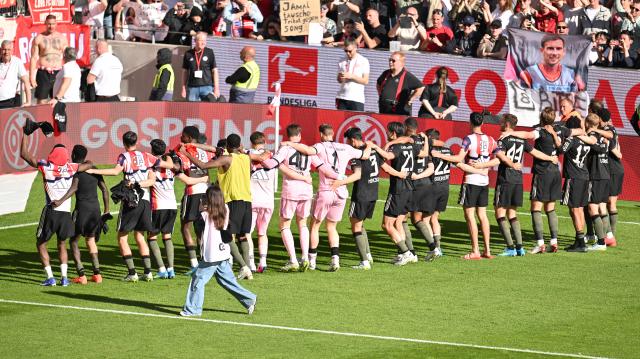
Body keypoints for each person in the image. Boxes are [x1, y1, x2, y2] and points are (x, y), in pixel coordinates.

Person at [281, 124, 370, 271]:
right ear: (333, 133)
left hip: (327, 189)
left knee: (314, 225)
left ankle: (312, 260)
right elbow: (365, 155)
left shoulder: (320, 146)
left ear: (322, 135)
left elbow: (308, 151)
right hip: (341, 190)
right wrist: (370, 145)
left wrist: (290, 143)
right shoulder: (345, 147)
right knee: (332, 227)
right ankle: (335, 259)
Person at [87, 131, 174, 281]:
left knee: (122, 238)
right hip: (146, 201)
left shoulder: (124, 157)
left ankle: (132, 273)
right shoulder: (147, 156)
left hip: (131, 201)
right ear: (136, 141)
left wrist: (93, 170)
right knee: (140, 236)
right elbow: (168, 166)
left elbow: (115, 172)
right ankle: (148, 272)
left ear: (124, 143)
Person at [181, 134, 265, 280]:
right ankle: (246, 268)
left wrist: (187, 153)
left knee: (226, 235)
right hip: (246, 200)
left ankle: (243, 267)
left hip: (232, 200)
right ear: (239, 145)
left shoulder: (226, 159)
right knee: (242, 236)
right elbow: (213, 148)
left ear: (226, 146)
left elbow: (203, 165)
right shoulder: (246, 157)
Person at [431, 112, 514, 260]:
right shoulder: (491, 140)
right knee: (482, 215)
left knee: (470, 215)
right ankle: (487, 250)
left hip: (470, 180)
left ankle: (475, 250)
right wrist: (483, 165)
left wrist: (439, 155)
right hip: (484, 180)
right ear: (482, 123)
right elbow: (499, 160)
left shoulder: (468, 139)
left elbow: (458, 158)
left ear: (470, 122)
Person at [259, 124, 335, 272]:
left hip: (291, 189)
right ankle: (305, 258)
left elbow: (270, 165)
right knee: (303, 224)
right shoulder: (307, 149)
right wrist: (338, 177)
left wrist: (258, 157)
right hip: (306, 190)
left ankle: (293, 260)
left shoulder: (285, 149)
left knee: (284, 225)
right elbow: (322, 167)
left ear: (287, 136)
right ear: (299, 136)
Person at [20, 134, 92, 286]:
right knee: (62, 244)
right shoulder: (71, 168)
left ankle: (50, 277)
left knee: (41, 244)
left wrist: (25, 134)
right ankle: (64, 278)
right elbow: (89, 164)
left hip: (51, 211)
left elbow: (24, 154)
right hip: (66, 215)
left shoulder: (46, 167)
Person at [484, 114, 557, 257]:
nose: (500, 123)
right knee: (512, 213)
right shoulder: (521, 139)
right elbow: (535, 152)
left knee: (500, 213)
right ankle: (520, 247)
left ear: (506, 124)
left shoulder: (503, 138)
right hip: (518, 180)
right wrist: (550, 158)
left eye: (502, 121)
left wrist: (482, 165)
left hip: (506, 178)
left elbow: (500, 158)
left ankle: (510, 247)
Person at [180, 185, 257, 317]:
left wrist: (199, 210)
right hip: (223, 252)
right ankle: (249, 299)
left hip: (212, 256)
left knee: (197, 280)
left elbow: (198, 229)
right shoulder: (225, 209)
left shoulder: (205, 215)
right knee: (226, 281)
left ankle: (193, 309)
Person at [148, 139, 210, 279]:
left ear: (152, 151)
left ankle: (162, 269)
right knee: (167, 236)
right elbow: (185, 178)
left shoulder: (150, 165)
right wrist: (204, 179)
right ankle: (171, 269)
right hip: (171, 206)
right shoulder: (172, 167)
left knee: (152, 237)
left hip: (157, 206)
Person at [50, 145, 109, 284]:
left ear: (74, 155)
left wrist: (61, 200)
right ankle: (97, 274)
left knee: (74, 241)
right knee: (90, 239)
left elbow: (74, 187)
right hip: (96, 210)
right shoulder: (94, 169)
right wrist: (106, 211)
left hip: (81, 210)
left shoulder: (75, 170)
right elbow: (105, 190)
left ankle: (81, 275)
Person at [330, 127, 383, 270]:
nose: (347, 143)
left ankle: (364, 262)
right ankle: (368, 255)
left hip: (361, 194)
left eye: (348, 140)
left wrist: (339, 182)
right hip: (373, 193)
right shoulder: (373, 150)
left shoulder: (356, 155)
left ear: (353, 140)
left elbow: (357, 175)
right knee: (360, 224)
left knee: (355, 226)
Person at [377, 121, 428, 265]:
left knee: (386, 225)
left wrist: (380, 147)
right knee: (399, 222)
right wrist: (424, 141)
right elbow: (424, 153)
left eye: (388, 131)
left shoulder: (396, 147)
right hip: (409, 189)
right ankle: (407, 253)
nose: (387, 134)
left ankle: (405, 252)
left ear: (393, 133)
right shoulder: (411, 146)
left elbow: (388, 157)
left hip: (398, 189)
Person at [174, 126, 218, 274]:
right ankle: (204, 261)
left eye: (183, 136)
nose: (181, 138)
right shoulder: (205, 153)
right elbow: (217, 150)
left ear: (188, 137)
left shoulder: (183, 154)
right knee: (202, 228)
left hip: (192, 193)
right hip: (206, 192)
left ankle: (194, 263)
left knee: (185, 227)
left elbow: (178, 167)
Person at [561, 116, 603, 252]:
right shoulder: (586, 140)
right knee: (579, 209)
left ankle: (580, 242)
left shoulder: (572, 139)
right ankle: (580, 240)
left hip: (573, 177)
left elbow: (561, 149)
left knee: (574, 209)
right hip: (584, 176)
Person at [247, 132, 276, 273]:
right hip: (268, 201)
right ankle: (263, 262)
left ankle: (251, 263)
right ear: (264, 141)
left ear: (251, 142)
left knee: (247, 233)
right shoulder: (273, 156)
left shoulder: (247, 154)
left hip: (252, 200)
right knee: (262, 233)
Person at [520, 34, 585, 93]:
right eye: (550, 48)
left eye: (558, 49)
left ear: (563, 52)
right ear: (542, 50)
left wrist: (580, 87)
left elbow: (577, 100)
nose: (554, 53)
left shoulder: (571, 74)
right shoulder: (529, 73)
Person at [30, 15, 68, 104]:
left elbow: (67, 57)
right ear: (45, 24)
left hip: (58, 72)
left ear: (56, 24)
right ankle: (41, 118)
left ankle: (56, 118)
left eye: (53, 24)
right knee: (41, 101)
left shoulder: (62, 38)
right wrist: (32, 77)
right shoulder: (39, 38)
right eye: (49, 24)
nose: (51, 26)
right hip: (43, 73)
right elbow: (34, 58)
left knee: (58, 100)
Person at [426, 128, 452, 253]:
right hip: (445, 187)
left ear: (430, 138)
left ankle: (433, 247)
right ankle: (438, 247)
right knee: (435, 218)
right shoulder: (448, 150)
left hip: (433, 187)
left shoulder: (430, 150)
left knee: (425, 219)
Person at [376, 51, 424, 116]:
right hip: (384, 111)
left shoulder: (407, 76)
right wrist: (381, 94)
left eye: (393, 61)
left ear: (401, 63)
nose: (390, 62)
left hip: (399, 113)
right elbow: (378, 83)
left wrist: (411, 99)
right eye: (389, 60)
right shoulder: (386, 73)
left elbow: (421, 88)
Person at [182, 32, 220, 101]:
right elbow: (185, 71)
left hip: (207, 87)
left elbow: (215, 71)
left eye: (204, 40)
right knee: (192, 110)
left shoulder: (209, 52)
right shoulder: (188, 54)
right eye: (201, 40)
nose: (203, 43)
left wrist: (216, 88)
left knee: (207, 110)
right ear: (195, 41)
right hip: (192, 88)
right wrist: (183, 87)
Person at [336, 39, 370, 111]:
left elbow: (365, 81)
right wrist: (340, 77)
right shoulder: (341, 60)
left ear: (356, 48)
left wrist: (352, 76)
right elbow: (339, 80)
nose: (348, 53)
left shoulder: (364, 61)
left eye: (350, 51)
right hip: (342, 97)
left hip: (356, 99)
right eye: (345, 51)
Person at [0, 40, 31, 108]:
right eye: (4, 49)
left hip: (10, 101)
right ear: (1, 49)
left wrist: (28, 101)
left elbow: (26, 81)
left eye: (9, 50)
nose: (6, 52)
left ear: (12, 50)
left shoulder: (17, 62)